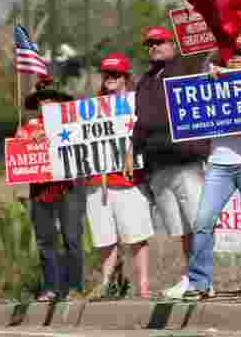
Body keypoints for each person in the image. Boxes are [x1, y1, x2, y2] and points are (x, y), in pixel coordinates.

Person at [182, 32, 241, 300]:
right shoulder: (213, 77)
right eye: (230, 53)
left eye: (240, 53)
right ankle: (199, 282)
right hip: (219, 163)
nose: (235, 58)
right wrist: (208, 77)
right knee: (203, 222)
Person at [129, 25, 211, 299]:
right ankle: (193, 278)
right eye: (150, 43)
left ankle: (204, 279)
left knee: (198, 222)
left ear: (173, 44)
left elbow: (206, 58)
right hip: (157, 164)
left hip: (186, 159)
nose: (154, 47)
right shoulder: (144, 80)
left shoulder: (186, 67)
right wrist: (131, 149)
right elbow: (140, 122)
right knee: (181, 229)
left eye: (160, 41)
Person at [85, 53, 154, 300]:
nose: (110, 78)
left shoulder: (137, 102)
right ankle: (107, 284)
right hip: (98, 182)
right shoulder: (91, 106)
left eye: (115, 74)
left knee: (137, 236)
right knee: (104, 238)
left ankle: (143, 285)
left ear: (125, 77)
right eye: (107, 74)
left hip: (129, 180)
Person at [17, 79, 85, 302]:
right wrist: (23, 141)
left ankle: (74, 286)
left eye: (50, 98)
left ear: (58, 101)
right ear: (37, 103)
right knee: (45, 240)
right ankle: (50, 288)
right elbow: (17, 158)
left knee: (72, 237)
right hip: (40, 190)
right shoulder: (27, 127)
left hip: (68, 186)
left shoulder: (71, 123)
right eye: (42, 99)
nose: (46, 102)